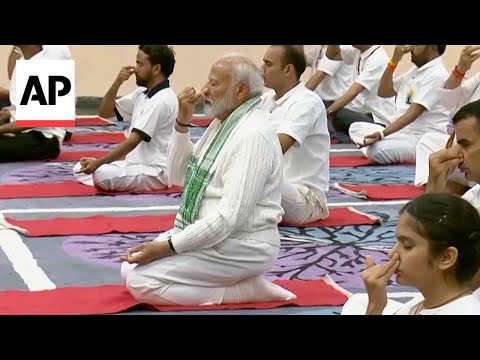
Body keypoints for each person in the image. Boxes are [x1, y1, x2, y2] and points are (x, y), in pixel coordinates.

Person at [120, 53, 297, 306]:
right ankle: (234, 282)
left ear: (240, 90)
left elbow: (228, 219)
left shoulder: (252, 135)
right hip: (212, 234)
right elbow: (178, 176)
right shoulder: (224, 123)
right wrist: (182, 121)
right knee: (129, 269)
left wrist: (167, 246)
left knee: (141, 282)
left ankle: (244, 291)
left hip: (242, 244)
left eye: (214, 84)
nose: (205, 89)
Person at [342, 193, 480, 315]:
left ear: (446, 257)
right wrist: (376, 303)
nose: (392, 253)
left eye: (407, 246)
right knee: (357, 302)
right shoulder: (430, 300)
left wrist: (374, 308)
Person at [73, 45, 178, 192]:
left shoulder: (162, 100)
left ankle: (103, 175)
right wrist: (117, 82)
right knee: (80, 167)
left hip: (156, 171)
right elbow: (104, 112)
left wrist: (99, 163)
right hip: (134, 165)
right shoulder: (142, 93)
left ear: (156, 69)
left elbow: (132, 142)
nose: (136, 69)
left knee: (101, 173)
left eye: (140, 65)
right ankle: (103, 174)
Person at [260, 45, 330, 225]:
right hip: (277, 188)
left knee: (247, 175)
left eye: (268, 64)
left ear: (288, 70)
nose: (262, 69)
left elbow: (275, 148)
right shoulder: (266, 99)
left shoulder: (307, 102)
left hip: (305, 199)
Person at [350, 45, 451, 165]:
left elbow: (412, 114)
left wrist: (382, 134)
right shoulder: (415, 71)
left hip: (421, 138)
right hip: (401, 134)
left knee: (377, 151)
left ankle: (424, 153)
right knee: (355, 128)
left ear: (432, 47)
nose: (411, 48)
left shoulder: (436, 75)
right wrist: (394, 61)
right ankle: (379, 144)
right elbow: (384, 92)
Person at [415, 45, 480, 188]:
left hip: (474, 152)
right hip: (465, 150)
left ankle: (454, 188)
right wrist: (460, 70)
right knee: (428, 141)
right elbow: (448, 101)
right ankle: (433, 185)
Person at [0, 45, 72, 162]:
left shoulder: (48, 60)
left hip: (44, 139)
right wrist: (11, 115)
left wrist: (3, 129)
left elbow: (38, 119)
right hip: (23, 130)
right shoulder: (25, 61)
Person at [323, 45, 396, 143]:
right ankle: (342, 135)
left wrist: (325, 114)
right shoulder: (358, 52)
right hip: (361, 111)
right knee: (323, 104)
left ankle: (342, 136)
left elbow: (353, 92)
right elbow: (331, 55)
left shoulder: (377, 59)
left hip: (378, 119)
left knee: (337, 114)